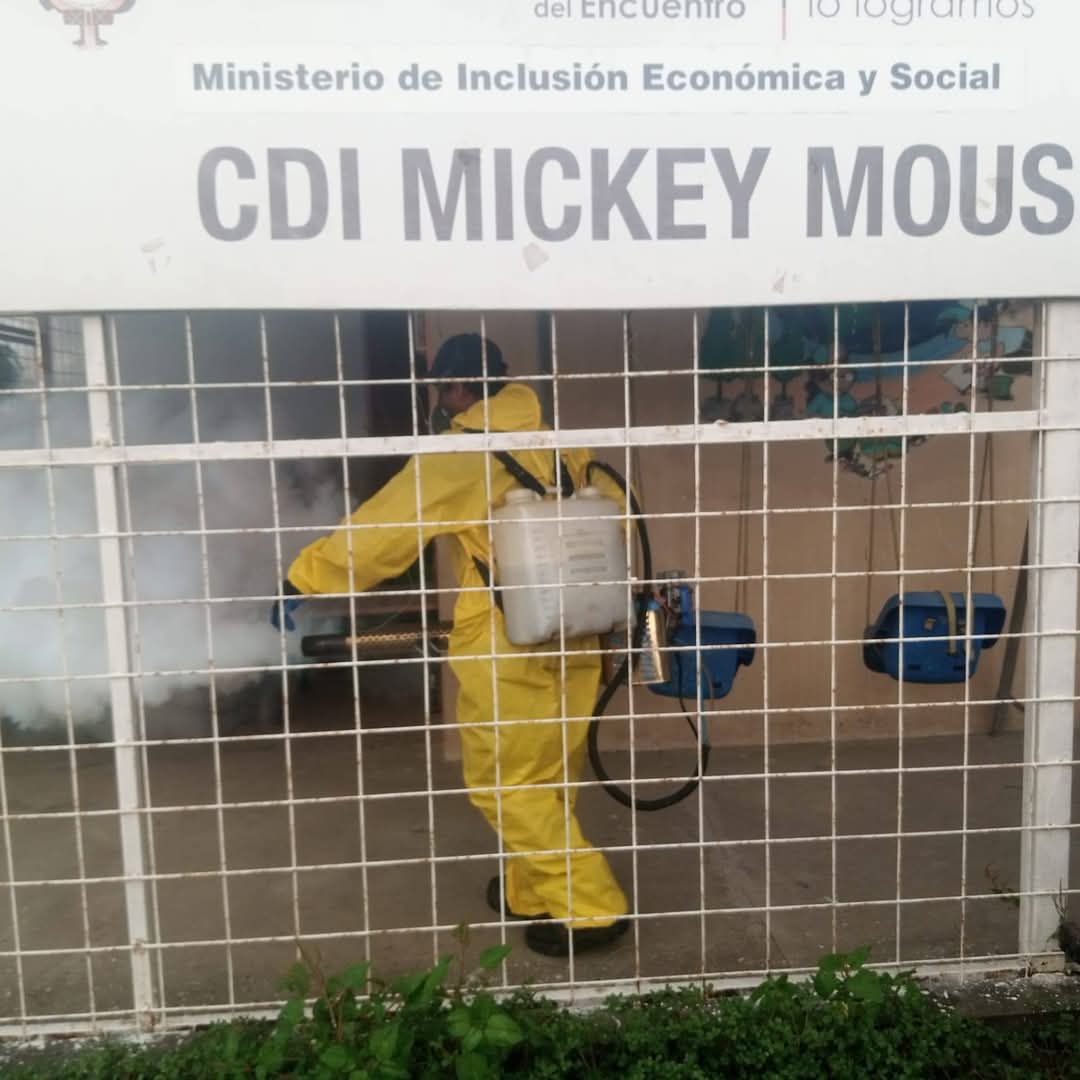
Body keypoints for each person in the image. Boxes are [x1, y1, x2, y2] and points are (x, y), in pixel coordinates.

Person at [271, 333, 630, 957]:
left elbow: (382, 531)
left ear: (458, 387)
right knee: (548, 771)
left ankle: (591, 906)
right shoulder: (562, 443)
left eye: (442, 390)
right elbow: (616, 516)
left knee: (505, 783)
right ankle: (533, 890)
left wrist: (306, 576)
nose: (441, 402)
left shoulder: (460, 454)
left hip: (509, 641)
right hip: (579, 628)